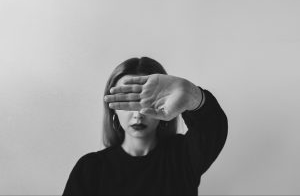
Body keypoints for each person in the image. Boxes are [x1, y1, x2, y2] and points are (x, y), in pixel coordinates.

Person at [62, 57, 228, 195]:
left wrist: (192, 95)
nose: (138, 114)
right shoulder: (90, 169)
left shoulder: (182, 157)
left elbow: (212, 126)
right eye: (128, 101)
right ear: (113, 110)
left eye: (146, 101)